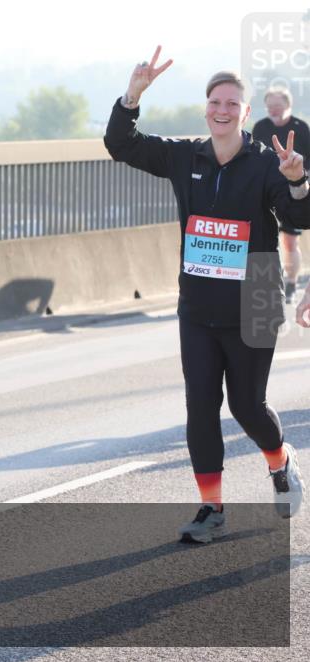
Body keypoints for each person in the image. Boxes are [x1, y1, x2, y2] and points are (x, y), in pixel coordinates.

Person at [105, 47, 309, 543]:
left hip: (255, 297)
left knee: (246, 405)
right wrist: (133, 95)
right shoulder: (184, 155)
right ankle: (211, 508)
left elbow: (298, 220)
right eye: (216, 101)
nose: (223, 109)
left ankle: (280, 462)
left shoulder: (265, 164)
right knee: (201, 404)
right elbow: (121, 143)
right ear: (206, 108)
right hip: (198, 303)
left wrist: (298, 181)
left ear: (245, 113)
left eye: (232, 103)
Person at [253, 87, 310, 303]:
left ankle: (292, 282)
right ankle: (267, 285)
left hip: (294, 191)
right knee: (263, 238)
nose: (273, 110)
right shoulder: (260, 127)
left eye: (277, 106)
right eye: (270, 107)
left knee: (289, 242)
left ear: (288, 106)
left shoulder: (301, 128)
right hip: (265, 191)